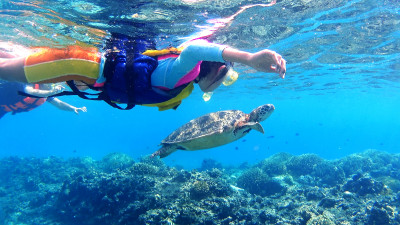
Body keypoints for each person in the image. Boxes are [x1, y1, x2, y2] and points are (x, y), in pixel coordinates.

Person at [0, 33, 286, 110]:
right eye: (226, 78)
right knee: (5, 71)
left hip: (84, 70)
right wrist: (248, 58)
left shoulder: (182, 82)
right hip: (81, 64)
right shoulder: (183, 72)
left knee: (14, 60)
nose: (222, 84)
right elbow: (196, 48)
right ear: (215, 71)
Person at [0, 81, 87, 119]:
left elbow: (59, 104)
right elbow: (30, 91)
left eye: (53, 84)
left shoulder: (46, 94)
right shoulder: (30, 83)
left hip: (3, 110)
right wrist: (50, 92)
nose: (51, 85)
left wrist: (73, 108)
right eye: (51, 83)